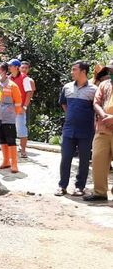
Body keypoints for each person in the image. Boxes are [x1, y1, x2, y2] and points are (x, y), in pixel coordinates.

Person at [54, 61, 97, 197]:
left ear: (83, 71)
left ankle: (80, 187)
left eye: (74, 69)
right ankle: (62, 186)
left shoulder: (94, 90)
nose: (72, 72)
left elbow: (96, 109)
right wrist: (70, 116)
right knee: (65, 158)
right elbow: (64, 104)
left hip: (86, 130)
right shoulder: (67, 87)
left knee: (84, 160)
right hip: (69, 129)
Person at [83, 60, 113, 201]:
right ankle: (100, 193)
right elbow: (96, 102)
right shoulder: (103, 84)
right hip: (102, 129)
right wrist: (103, 115)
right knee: (98, 161)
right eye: (110, 69)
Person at [0, 62, 22, 173]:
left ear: (5, 72)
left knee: (11, 140)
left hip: (9, 117)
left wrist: (13, 114)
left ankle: (14, 164)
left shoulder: (12, 85)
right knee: (2, 139)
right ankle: (6, 161)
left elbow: (18, 102)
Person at [9, 59, 33, 158]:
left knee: (21, 128)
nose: (9, 67)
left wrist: (24, 106)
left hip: (19, 108)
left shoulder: (25, 78)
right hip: (9, 108)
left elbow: (29, 92)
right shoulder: (9, 78)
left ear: (16, 67)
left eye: (11, 66)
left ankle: (23, 150)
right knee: (9, 128)